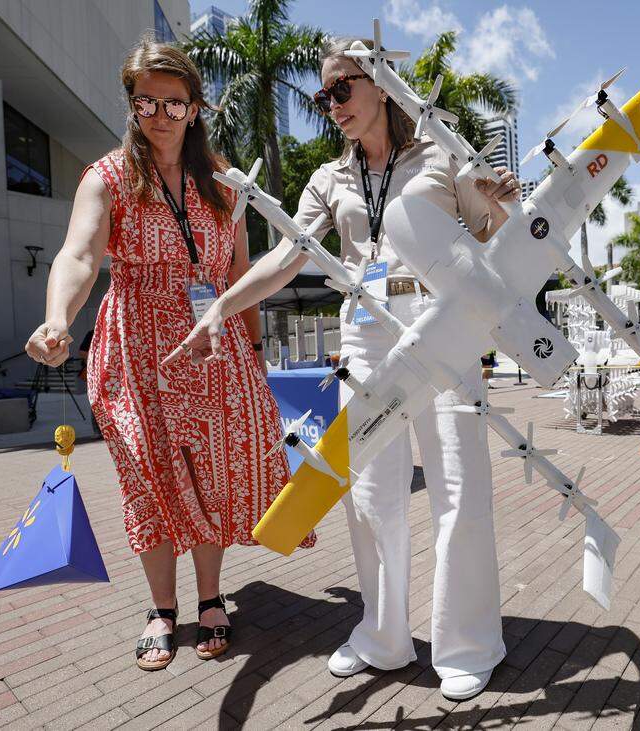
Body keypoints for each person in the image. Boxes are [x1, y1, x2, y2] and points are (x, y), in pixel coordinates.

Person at [168, 37, 519, 701]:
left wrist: (504, 201)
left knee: (458, 487)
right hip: (366, 337)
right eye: (323, 95)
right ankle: (383, 635)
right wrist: (218, 309)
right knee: (370, 496)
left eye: (342, 88)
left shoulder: (442, 156)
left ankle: (468, 642)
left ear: (381, 84)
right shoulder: (330, 179)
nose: (331, 105)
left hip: (442, 326)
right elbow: (284, 258)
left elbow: (494, 240)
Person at [24, 34, 304, 672]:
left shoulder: (224, 182)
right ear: (132, 107)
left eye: (173, 103)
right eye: (144, 102)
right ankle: (161, 607)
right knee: (146, 477)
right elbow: (79, 254)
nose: (158, 115)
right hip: (136, 347)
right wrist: (55, 318)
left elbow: (238, 273)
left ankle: (210, 598)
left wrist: (254, 346)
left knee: (207, 475)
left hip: (213, 345)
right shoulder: (110, 176)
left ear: (195, 108)